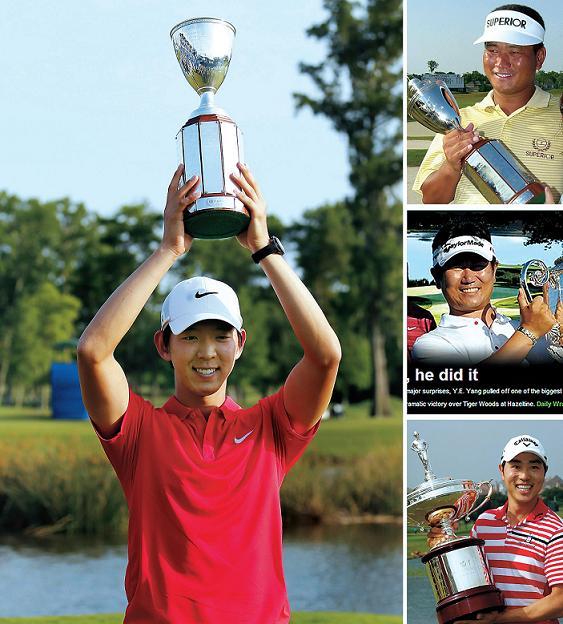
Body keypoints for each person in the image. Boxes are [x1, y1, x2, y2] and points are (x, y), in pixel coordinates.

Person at [76, 163, 341, 623]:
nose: (207, 352)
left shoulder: (269, 428)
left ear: (240, 344)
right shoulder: (140, 431)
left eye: (221, 336)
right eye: (190, 336)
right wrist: (168, 249)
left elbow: (325, 355)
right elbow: (93, 352)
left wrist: (264, 248)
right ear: (165, 345)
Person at [412, 4, 563, 204]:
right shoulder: (458, 117)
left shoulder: (560, 114)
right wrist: (450, 166)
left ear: (539, 57)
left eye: (515, 51)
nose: (501, 61)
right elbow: (431, 200)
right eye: (492, 50)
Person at [431, 435, 563, 624]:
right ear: (502, 470)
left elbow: (560, 601)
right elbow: (471, 579)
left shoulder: (556, 530)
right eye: (516, 466)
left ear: (544, 473)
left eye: (534, 466)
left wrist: (499, 620)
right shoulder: (484, 523)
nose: (525, 475)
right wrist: (443, 543)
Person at [411, 219, 562, 364]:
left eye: (478, 265)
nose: (469, 277)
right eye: (456, 266)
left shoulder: (530, 328)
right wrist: (529, 332)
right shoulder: (430, 346)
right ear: (437, 277)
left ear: (494, 269)